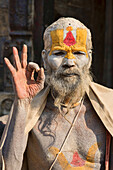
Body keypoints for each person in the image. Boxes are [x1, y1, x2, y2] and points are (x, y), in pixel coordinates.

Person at [0, 17, 113, 170]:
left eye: (79, 53)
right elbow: (9, 167)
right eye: (59, 53)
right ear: (45, 59)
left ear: (90, 58)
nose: (69, 62)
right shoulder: (31, 113)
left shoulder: (109, 104)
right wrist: (22, 103)